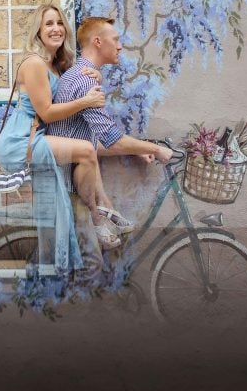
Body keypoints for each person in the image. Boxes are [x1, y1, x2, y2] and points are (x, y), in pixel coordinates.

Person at [0, 4, 113, 272]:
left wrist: (97, 74)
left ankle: (100, 215)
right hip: (21, 140)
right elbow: (46, 113)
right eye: (48, 23)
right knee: (85, 151)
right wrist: (86, 101)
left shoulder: (56, 65)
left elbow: (72, 88)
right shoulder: (34, 63)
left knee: (88, 150)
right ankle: (101, 214)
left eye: (60, 23)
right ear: (38, 30)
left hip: (35, 137)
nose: (56, 28)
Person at [47, 16, 173, 250]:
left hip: (74, 176)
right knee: (89, 264)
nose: (119, 45)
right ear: (97, 42)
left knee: (90, 263)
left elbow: (89, 141)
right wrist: (155, 148)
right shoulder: (85, 82)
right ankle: (102, 213)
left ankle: (105, 211)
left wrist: (137, 148)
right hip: (68, 185)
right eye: (115, 39)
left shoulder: (81, 75)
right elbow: (110, 138)